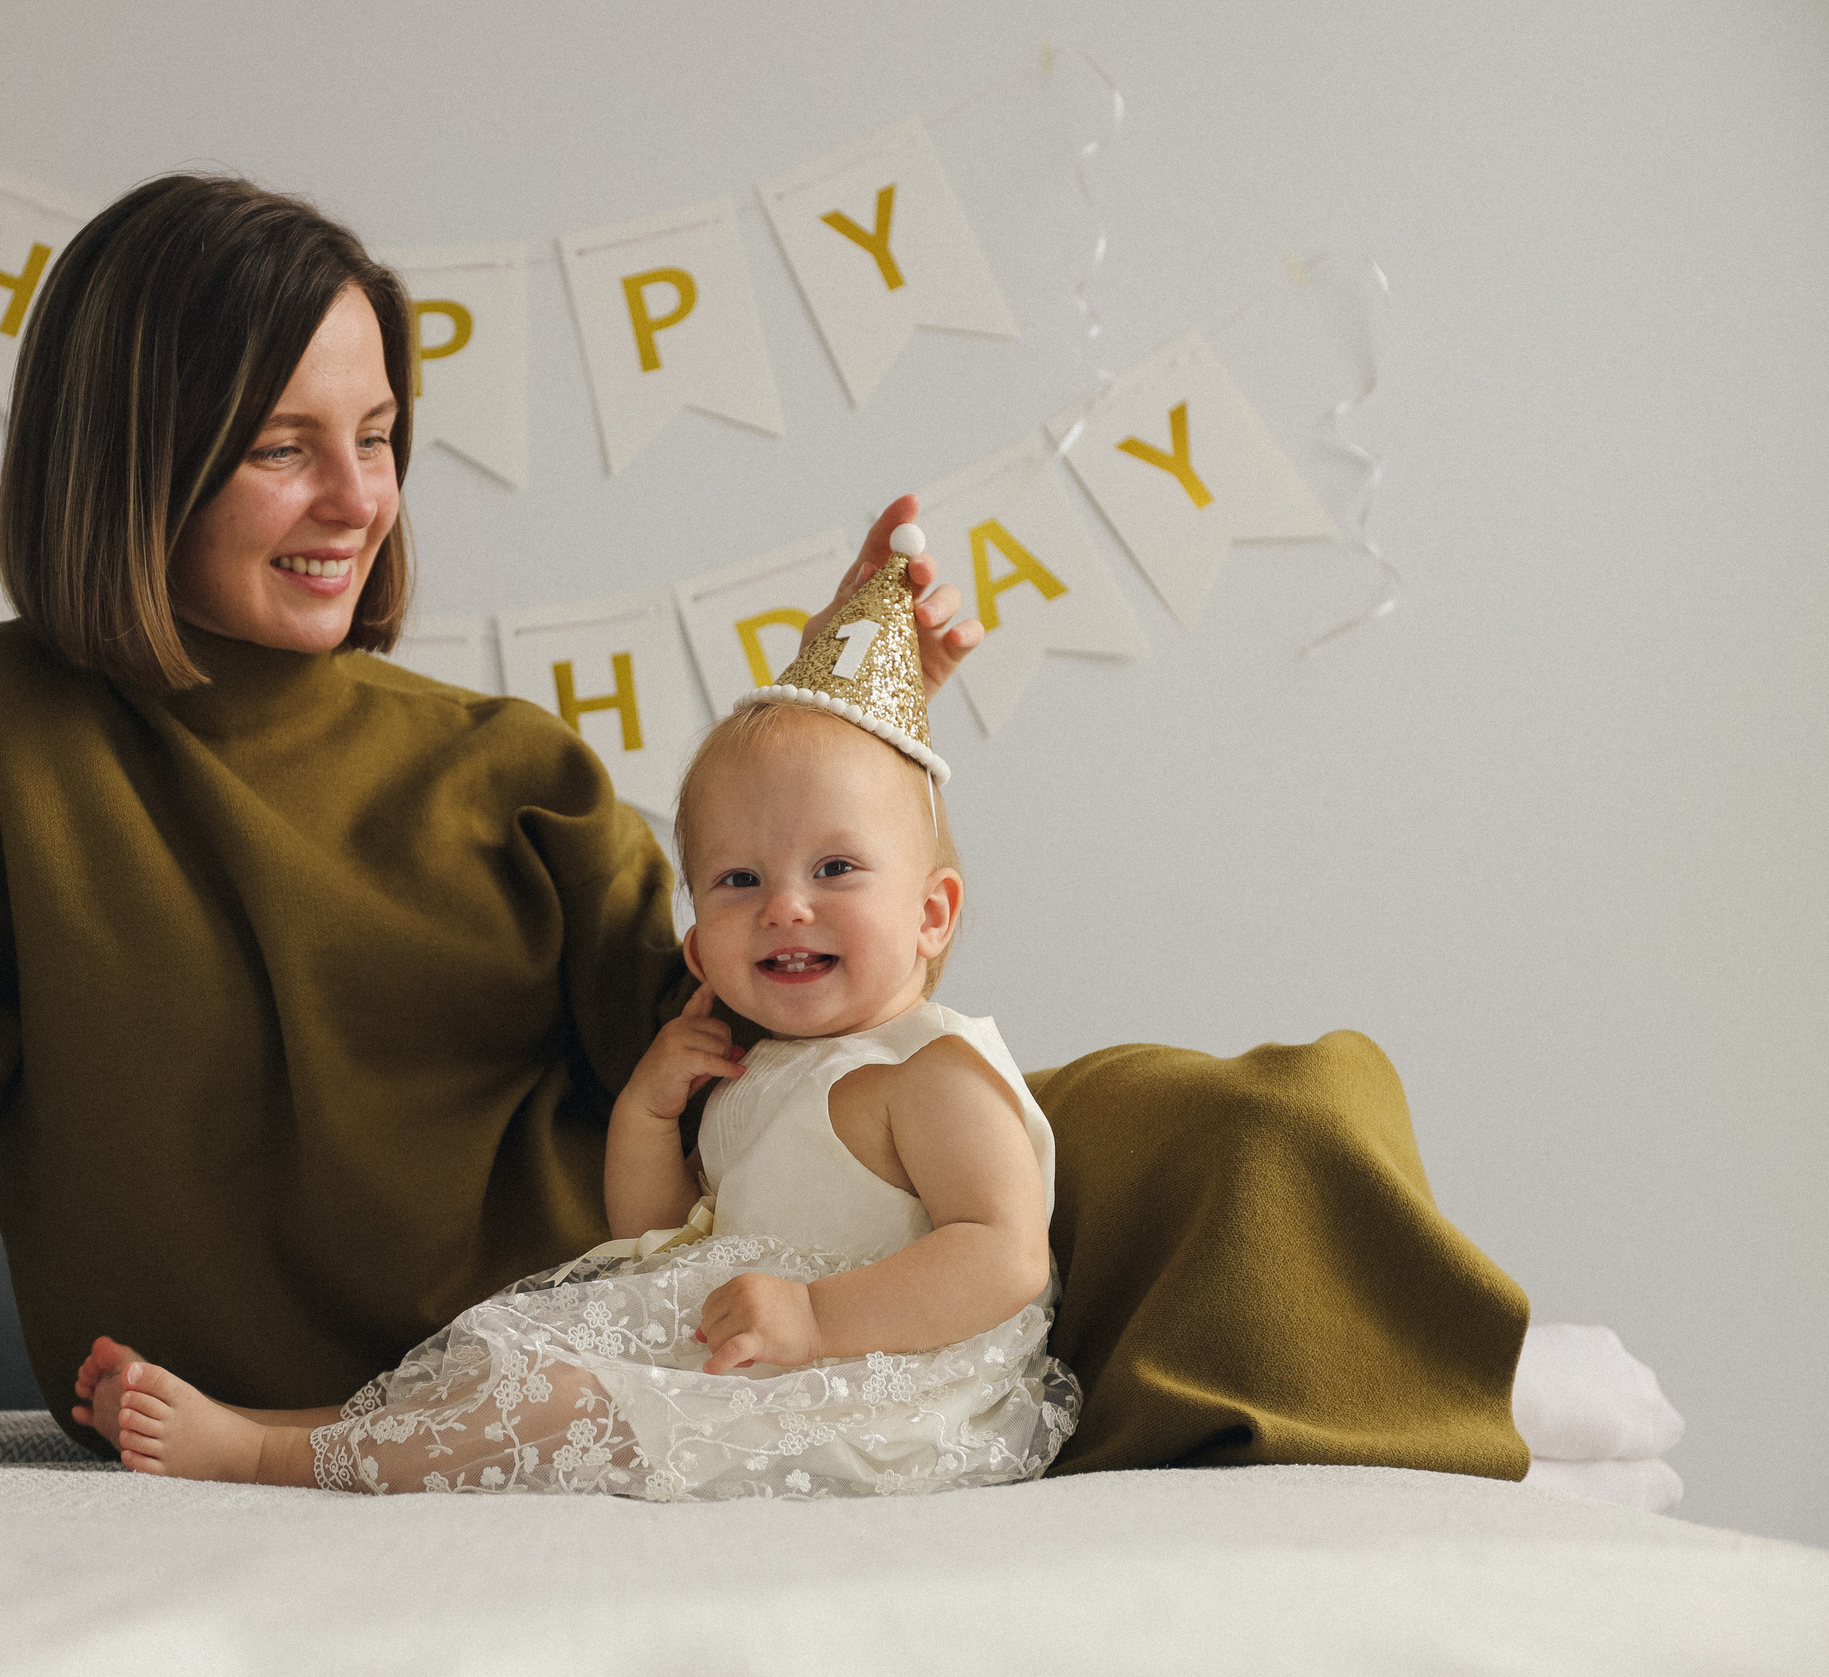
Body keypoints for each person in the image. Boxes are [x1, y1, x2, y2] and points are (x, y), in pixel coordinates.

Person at [0, 172, 1531, 1485]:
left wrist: (846, 734)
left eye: (380, 435)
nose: (355, 498)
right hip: (471, 1372)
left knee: (1264, 1122)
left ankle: (1427, 1406)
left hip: (693, 1308)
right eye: (283, 444)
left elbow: (774, 1027)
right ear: (130, 454)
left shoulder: (501, 765)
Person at [75, 538, 1083, 1498]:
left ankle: (270, 1457)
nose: (784, 905)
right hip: (752, 1351)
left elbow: (1003, 1254)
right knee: (517, 1368)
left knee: (566, 1400)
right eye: (738, 880)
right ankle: (287, 1423)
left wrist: (817, 1317)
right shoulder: (761, 1069)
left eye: (835, 868)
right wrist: (649, 1112)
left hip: (881, 1387)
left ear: (931, 913)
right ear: (699, 949)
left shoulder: (931, 1072)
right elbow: (655, 1239)